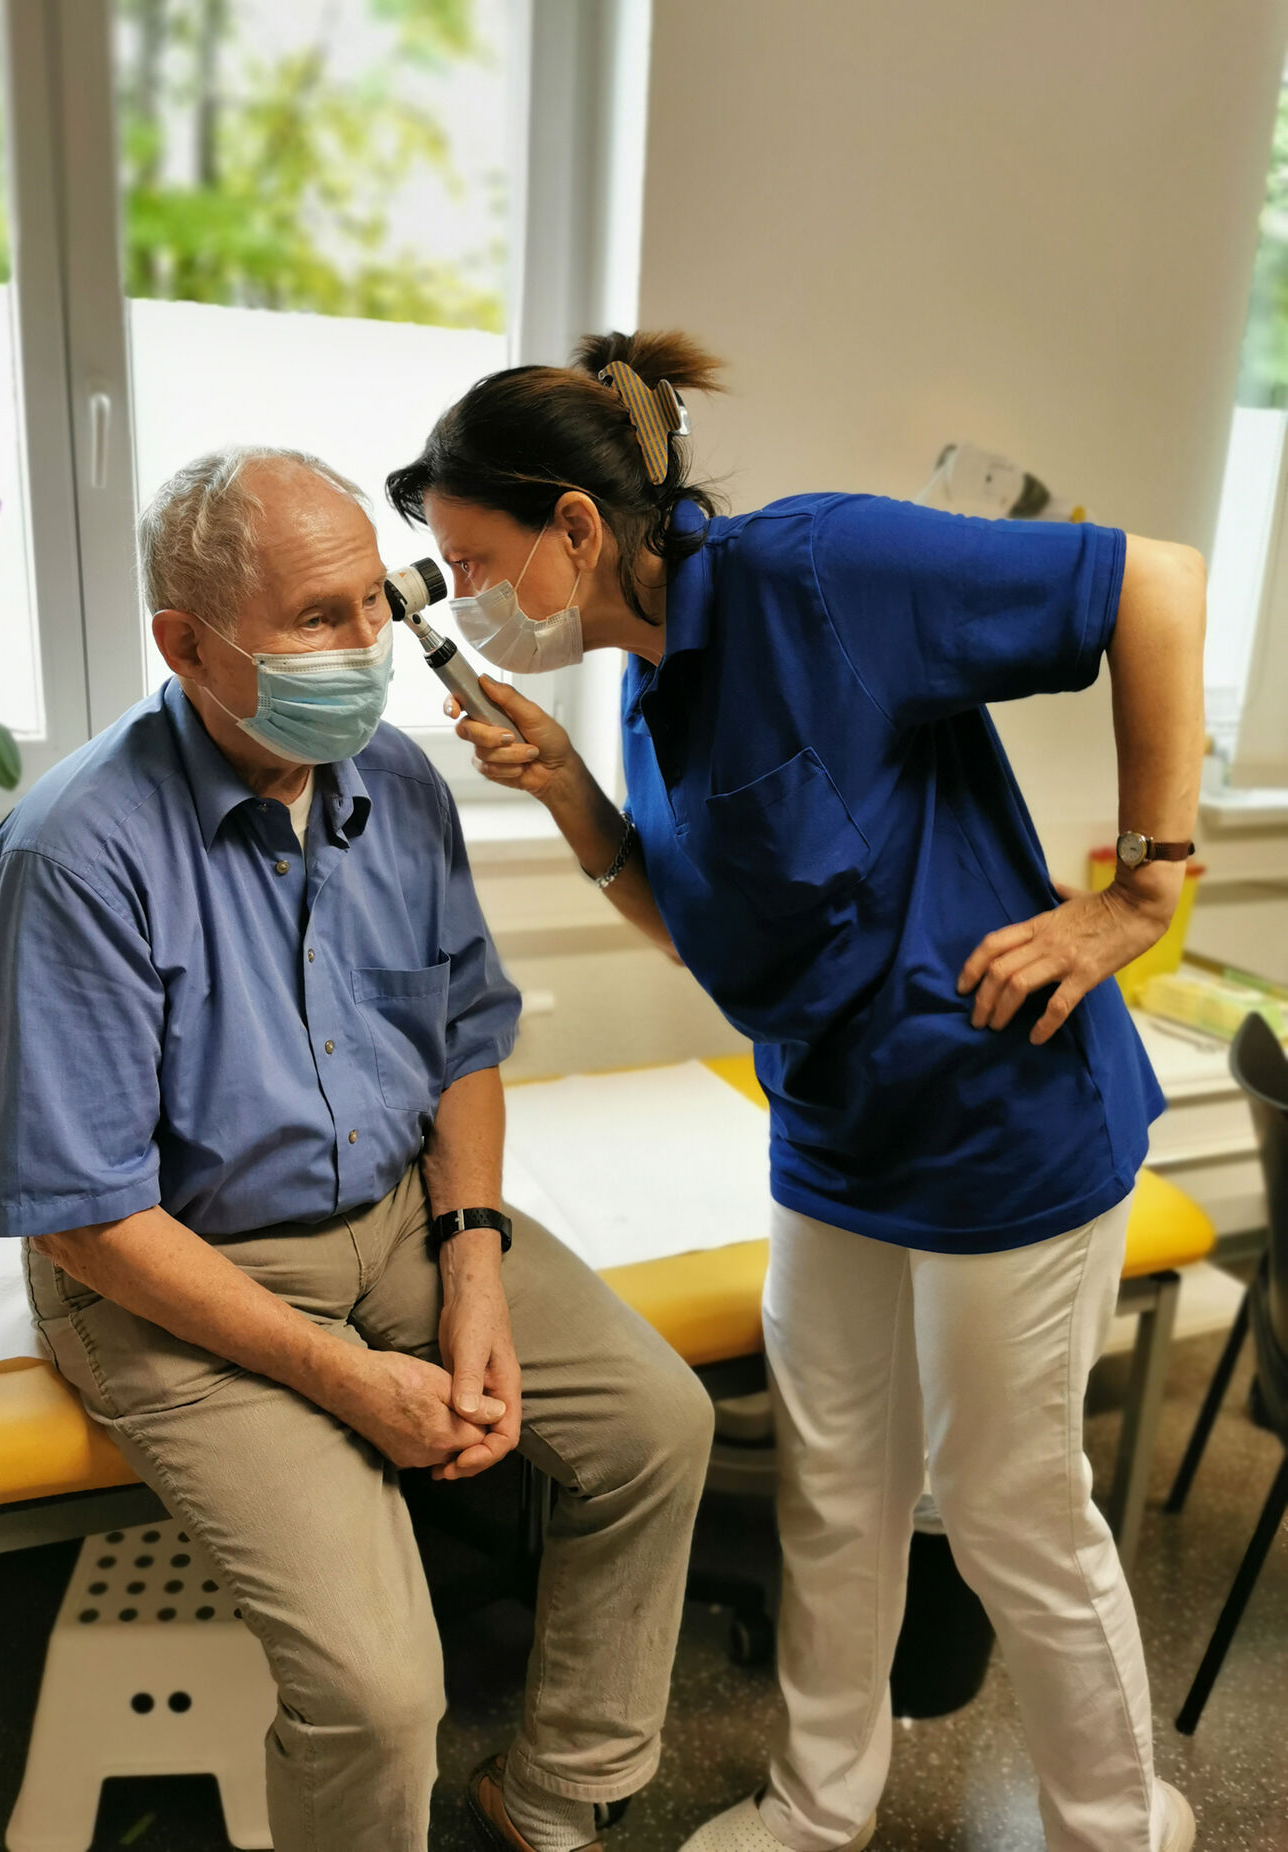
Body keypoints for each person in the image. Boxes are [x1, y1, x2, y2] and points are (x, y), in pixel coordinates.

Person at [386, 333, 1207, 1852]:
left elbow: (1149, 581)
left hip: (994, 1121)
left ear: (578, 524)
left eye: (481, 560)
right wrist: (570, 790)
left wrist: (1140, 889)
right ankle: (819, 1806)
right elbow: (710, 933)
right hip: (831, 1136)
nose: (472, 602)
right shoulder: (641, 689)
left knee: (1009, 1505)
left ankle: (1114, 1826)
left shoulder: (822, 569)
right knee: (834, 1492)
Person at [0, 446, 714, 1852]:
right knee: (375, 1692)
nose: (367, 645)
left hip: (394, 1223)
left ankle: (552, 1800)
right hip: (170, 1275)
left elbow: (464, 1045)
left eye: (376, 601)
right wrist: (352, 1381)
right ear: (187, 645)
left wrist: (471, 1272)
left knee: (657, 1430)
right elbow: (82, 1218)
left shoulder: (397, 788)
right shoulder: (73, 855)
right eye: (317, 618)